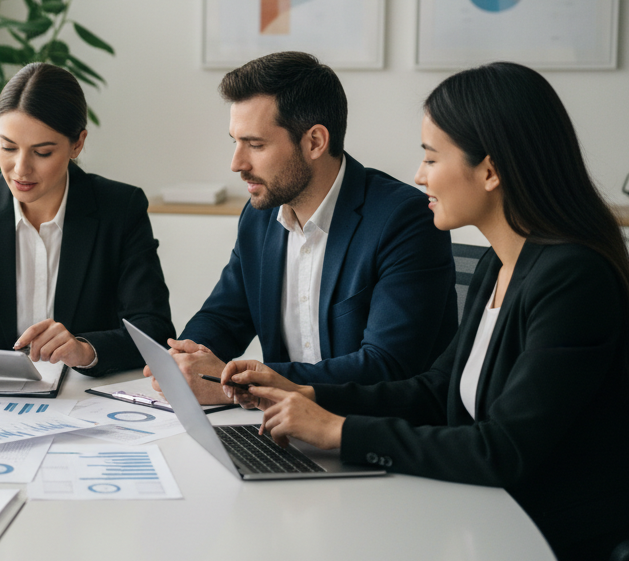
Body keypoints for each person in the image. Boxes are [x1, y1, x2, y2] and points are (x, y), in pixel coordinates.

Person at [216, 63, 629, 561]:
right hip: (492, 521)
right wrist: (306, 392)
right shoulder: (503, 265)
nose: (419, 175)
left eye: (432, 157)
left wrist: (337, 430)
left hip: (559, 548)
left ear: (490, 171)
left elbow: (503, 449)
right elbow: (437, 392)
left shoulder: (573, 279)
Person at [150, 51, 456, 404]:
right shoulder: (259, 216)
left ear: (314, 141)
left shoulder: (404, 220)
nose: (236, 163)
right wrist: (186, 360)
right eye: (235, 142)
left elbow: (387, 366)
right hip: (281, 429)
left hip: (369, 433)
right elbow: (224, 315)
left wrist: (242, 381)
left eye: (255, 144)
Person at [0, 62, 174, 382]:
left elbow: (154, 328)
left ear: (77, 143)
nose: (20, 170)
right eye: (8, 147)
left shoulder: (119, 209)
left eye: (42, 152)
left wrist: (85, 350)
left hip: (84, 402)